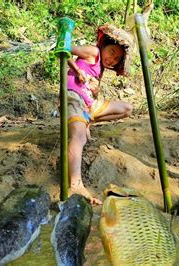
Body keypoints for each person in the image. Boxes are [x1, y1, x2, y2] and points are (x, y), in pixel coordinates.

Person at [66, 24, 134, 205]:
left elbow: (92, 92)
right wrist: (76, 69)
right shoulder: (94, 52)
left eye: (117, 58)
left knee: (127, 108)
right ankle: (75, 184)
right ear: (104, 46)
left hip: (88, 104)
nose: (112, 59)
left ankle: (85, 121)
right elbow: (64, 49)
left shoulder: (100, 67)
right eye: (111, 52)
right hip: (73, 96)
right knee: (79, 137)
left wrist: (96, 91)